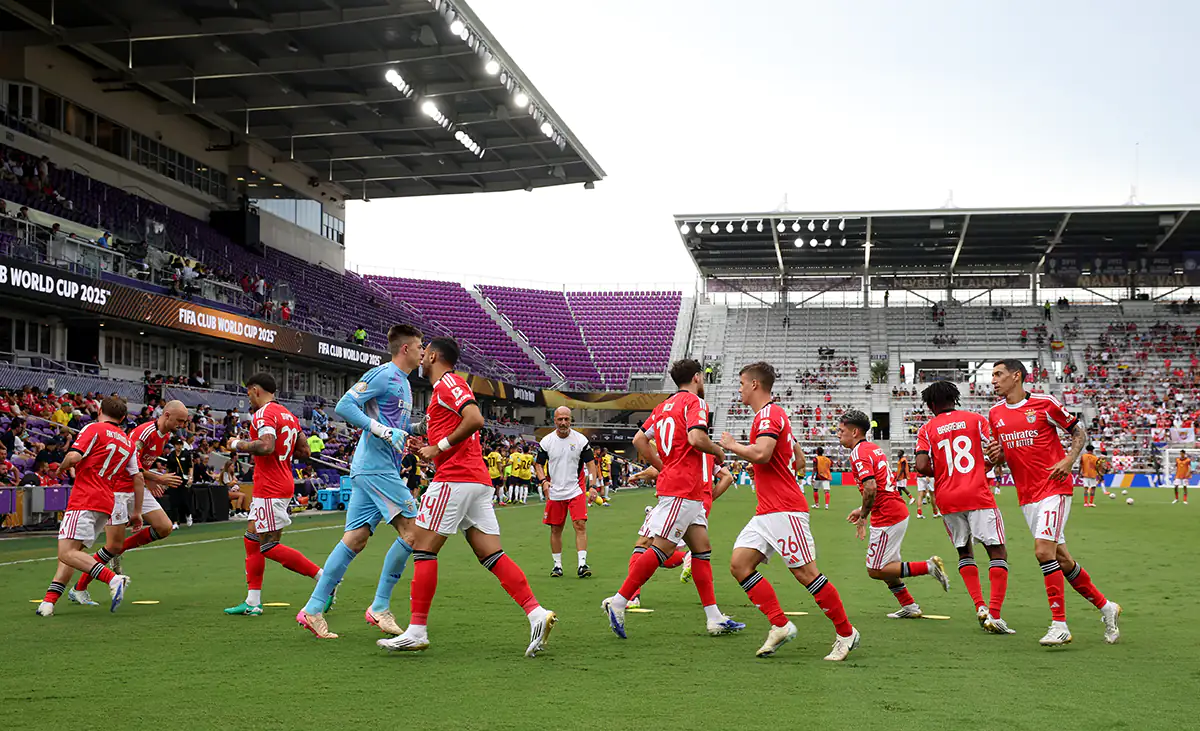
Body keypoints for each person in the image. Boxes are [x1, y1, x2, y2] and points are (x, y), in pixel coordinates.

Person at [377, 337, 556, 657]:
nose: (420, 357)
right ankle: (536, 613)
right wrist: (430, 450)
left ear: (432, 355)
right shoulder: (444, 389)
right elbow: (457, 429)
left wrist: (439, 448)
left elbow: (475, 418)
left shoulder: (448, 383)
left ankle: (416, 630)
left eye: (424, 352)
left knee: (422, 547)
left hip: (455, 481)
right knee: (491, 554)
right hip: (474, 481)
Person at [718, 362, 859, 660]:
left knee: (806, 573)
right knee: (740, 564)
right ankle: (779, 624)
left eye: (742, 383)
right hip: (766, 510)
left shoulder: (770, 414)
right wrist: (793, 459)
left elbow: (762, 453)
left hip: (785, 509)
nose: (739, 389)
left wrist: (733, 445)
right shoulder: (771, 415)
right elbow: (795, 453)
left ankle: (847, 633)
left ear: (755, 385)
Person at [296, 325, 424, 639]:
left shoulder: (405, 384)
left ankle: (312, 609)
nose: (424, 352)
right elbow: (344, 406)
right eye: (420, 346)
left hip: (374, 468)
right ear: (405, 348)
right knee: (415, 531)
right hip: (376, 468)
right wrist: (381, 431)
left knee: (355, 539)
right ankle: (379, 606)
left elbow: (398, 425)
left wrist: (421, 427)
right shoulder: (382, 374)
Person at [601, 359, 742, 640]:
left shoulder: (663, 406)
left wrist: (663, 463)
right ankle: (619, 601)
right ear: (697, 377)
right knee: (660, 549)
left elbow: (639, 440)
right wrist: (719, 452)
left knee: (701, 551)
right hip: (684, 487)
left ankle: (714, 617)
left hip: (684, 487)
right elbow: (696, 438)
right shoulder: (695, 402)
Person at [986, 359, 1121, 646]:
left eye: (998, 374)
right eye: (992, 375)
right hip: (1027, 495)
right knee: (1061, 559)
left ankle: (1059, 624)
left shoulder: (1044, 403)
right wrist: (995, 457)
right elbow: (1001, 458)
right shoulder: (995, 414)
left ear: (1016, 376)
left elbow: (1078, 431)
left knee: (1042, 551)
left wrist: (1069, 459)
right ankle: (1106, 607)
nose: (994, 380)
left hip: (1054, 488)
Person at [915, 381, 1015, 634]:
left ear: (930, 405)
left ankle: (980, 607)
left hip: (947, 497)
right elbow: (996, 450)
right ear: (955, 399)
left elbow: (921, 466)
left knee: (964, 551)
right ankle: (995, 613)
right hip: (977, 493)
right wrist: (986, 465)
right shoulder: (975, 419)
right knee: (997, 551)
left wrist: (945, 471)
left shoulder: (927, 429)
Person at [69, 401, 190, 605]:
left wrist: (149, 480)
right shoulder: (143, 434)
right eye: (179, 420)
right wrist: (158, 478)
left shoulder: (165, 436)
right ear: (167, 415)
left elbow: (141, 466)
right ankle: (79, 588)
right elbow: (127, 463)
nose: (182, 425)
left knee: (164, 527)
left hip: (135, 488)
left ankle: (119, 549)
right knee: (111, 546)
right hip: (117, 490)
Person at [224, 373, 324, 617]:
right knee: (251, 539)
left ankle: (325, 580)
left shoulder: (263, 414)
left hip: (270, 487)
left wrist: (237, 444)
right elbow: (304, 451)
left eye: (248, 392)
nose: (248, 397)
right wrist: (283, 453)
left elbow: (266, 446)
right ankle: (253, 602)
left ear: (256, 390)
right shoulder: (288, 415)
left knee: (268, 546)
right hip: (276, 483)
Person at [36, 397, 142, 617]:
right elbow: (137, 476)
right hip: (106, 501)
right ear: (122, 418)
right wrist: (137, 511)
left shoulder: (94, 428)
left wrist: (62, 467)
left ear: (99, 411)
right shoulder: (128, 442)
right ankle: (48, 603)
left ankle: (113, 579)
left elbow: (74, 456)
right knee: (72, 553)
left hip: (85, 497)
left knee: (66, 553)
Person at [839, 409, 949, 619]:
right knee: (888, 567)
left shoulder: (858, 453)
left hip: (887, 514)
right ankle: (910, 606)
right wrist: (861, 509)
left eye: (841, 430)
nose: (838, 434)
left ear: (854, 432)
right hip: (893, 509)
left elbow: (871, 487)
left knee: (875, 569)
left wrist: (863, 516)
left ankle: (928, 567)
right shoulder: (873, 449)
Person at [625, 451, 737, 613]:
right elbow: (727, 477)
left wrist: (639, 475)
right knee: (694, 553)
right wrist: (709, 499)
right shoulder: (706, 449)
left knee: (644, 545)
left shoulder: (681, 442)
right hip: (700, 504)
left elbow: (660, 467)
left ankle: (630, 597)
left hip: (677, 500)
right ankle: (713, 614)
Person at [535, 406, 599, 578]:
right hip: (555, 492)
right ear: (554, 420)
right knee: (556, 529)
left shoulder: (580, 440)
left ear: (571, 420)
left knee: (580, 525)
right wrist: (543, 481)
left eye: (566, 419)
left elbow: (591, 464)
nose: (563, 423)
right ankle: (557, 566)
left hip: (575, 490)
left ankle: (582, 564)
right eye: (560, 419)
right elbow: (538, 464)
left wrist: (592, 485)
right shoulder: (546, 442)